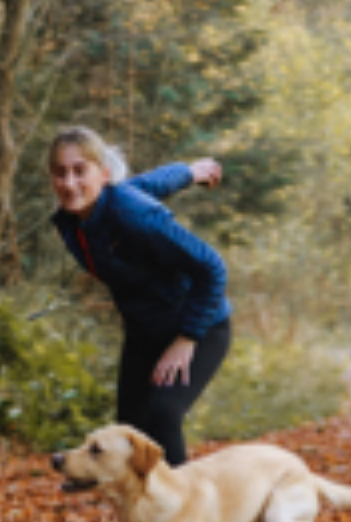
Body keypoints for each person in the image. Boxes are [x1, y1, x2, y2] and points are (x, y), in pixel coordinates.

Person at [47, 125, 232, 471]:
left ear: (103, 174)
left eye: (79, 171)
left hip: (199, 325)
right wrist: (191, 172)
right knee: (127, 430)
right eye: (60, 173)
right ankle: (141, 520)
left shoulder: (134, 216)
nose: (69, 183)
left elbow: (212, 267)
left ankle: (183, 516)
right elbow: (155, 182)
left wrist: (186, 338)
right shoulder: (75, 220)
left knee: (163, 415)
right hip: (144, 331)